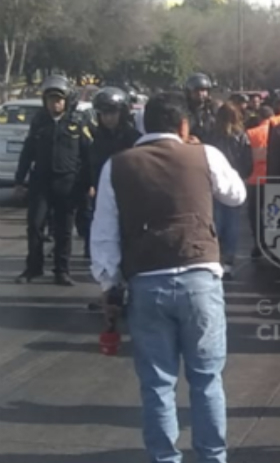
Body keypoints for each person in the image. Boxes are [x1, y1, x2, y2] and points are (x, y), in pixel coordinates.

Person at [90, 91, 246, 463]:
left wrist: (108, 284)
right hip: (200, 277)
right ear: (183, 124)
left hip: (146, 281)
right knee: (207, 379)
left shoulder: (118, 165)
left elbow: (104, 231)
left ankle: (165, 458)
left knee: (157, 383)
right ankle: (213, 457)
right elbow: (236, 195)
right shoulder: (205, 154)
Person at [14, 76, 91, 286]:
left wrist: (89, 184)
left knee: (64, 230)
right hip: (41, 183)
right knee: (35, 225)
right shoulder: (39, 123)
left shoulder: (77, 123)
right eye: (50, 99)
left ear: (66, 101)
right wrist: (19, 180)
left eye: (58, 99)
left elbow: (88, 155)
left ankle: (62, 270)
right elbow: (27, 152)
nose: (54, 104)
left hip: (68, 183)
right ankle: (33, 268)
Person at [88, 87, 143, 258]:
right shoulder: (94, 137)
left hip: (128, 191)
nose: (108, 118)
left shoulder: (134, 137)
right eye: (104, 114)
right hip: (102, 192)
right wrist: (90, 185)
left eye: (112, 113)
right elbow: (89, 164)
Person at [205, 102, 253, 279]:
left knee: (215, 220)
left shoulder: (211, 136)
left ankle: (216, 257)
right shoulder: (241, 136)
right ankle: (229, 262)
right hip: (234, 181)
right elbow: (248, 160)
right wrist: (243, 175)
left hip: (214, 181)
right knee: (232, 221)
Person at [245, 106, 273, 259]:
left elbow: (246, 157)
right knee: (274, 212)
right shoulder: (279, 132)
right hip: (273, 178)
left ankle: (259, 243)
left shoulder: (251, 133)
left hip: (255, 179)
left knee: (255, 214)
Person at [183, 73, 216, 141]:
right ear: (189, 92)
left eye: (203, 90)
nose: (200, 93)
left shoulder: (214, 110)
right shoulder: (183, 110)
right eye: (196, 90)